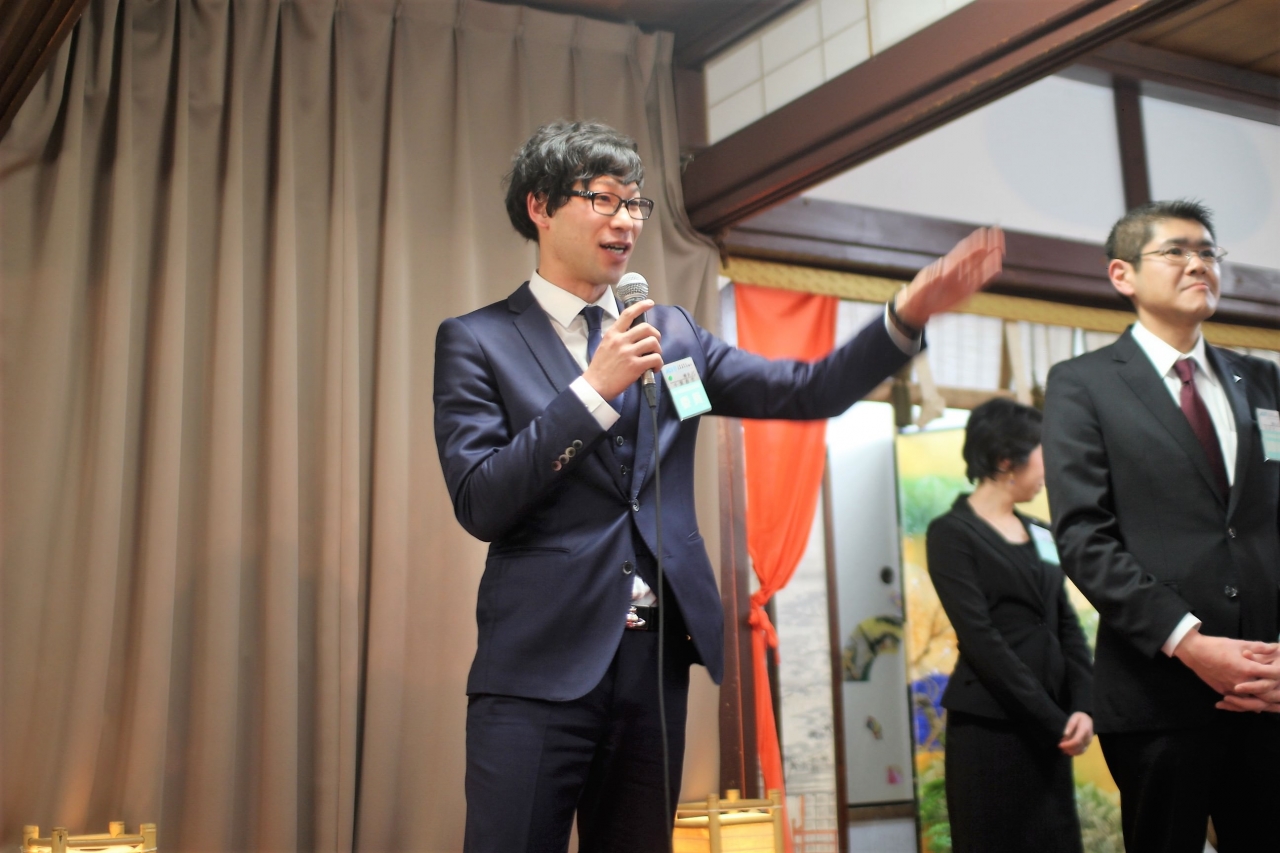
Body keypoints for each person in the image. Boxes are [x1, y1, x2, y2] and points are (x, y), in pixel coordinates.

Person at [433, 119, 1004, 852]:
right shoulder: (478, 339)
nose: (626, 221)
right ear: (540, 206)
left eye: (635, 203)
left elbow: (807, 390)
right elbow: (482, 500)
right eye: (604, 199)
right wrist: (592, 391)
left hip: (653, 662)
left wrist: (905, 315)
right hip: (537, 665)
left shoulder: (672, 333)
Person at [1042, 199, 1280, 853]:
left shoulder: (1263, 381)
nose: (1198, 264)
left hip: (1267, 689)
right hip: (1159, 693)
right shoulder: (1083, 383)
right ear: (1122, 274)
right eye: (1176, 251)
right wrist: (1191, 643)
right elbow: (1083, 536)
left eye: (1208, 252)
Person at [926, 398, 1094, 853]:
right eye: (1042, 451)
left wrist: (1083, 705)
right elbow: (981, 640)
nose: (1049, 467)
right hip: (991, 728)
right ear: (1006, 460)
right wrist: (1052, 718)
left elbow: (1065, 621)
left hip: (1052, 727)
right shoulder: (951, 533)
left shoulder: (1041, 531)